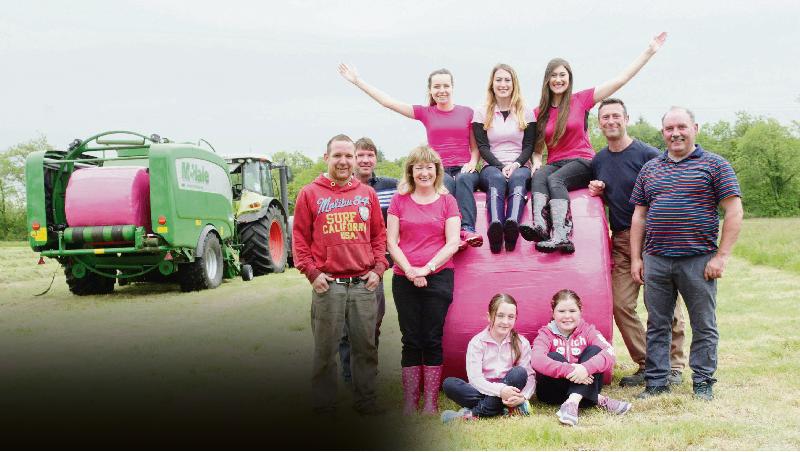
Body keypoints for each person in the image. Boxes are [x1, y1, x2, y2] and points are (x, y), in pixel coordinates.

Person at [630, 107, 743, 401]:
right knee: (657, 323)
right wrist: (636, 258)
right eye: (669, 129)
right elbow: (639, 216)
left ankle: (703, 381)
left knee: (703, 323)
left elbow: (733, 211)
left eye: (681, 127)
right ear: (662, 132)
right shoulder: (650, 168)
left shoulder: (715, 165)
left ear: (695, 128)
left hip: (698, 260)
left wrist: (722, 257)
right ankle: (656, 382)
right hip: (656, 258)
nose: (675, 133)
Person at [519, 32, 667, 254]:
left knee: (556, 181)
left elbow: (620, 80)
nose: (558, 80)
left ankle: (561, 234)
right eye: (554, 76)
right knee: (539, 176)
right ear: (547, 80)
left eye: (563, 75)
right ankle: (540, 226)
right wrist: (537, 162)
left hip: (581, 160)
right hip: (555, 161)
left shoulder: (581, 99)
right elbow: (538, 150)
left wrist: (649, 51)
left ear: (569, 78)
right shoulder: (539, 112)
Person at [588, 98, 687, 387]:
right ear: (599, 124)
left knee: (665, 306)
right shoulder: (599, 161)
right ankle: (648, 363)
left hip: (656, 238)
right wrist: (597, 191)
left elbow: (668, 190)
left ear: (626, 119)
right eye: (605, 117)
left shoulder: (649, 155)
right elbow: (608, 194)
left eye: (616, 116)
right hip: (621, 239)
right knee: (621, 305)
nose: (610, 122)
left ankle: (675, 366)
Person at [292, 134, 388, 415]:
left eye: (348, 156)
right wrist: (311, 272)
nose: (344, 161)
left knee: (366, 349)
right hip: (328, 284)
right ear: (326, 158)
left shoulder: (366, 194)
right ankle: (325, 405)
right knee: (325, 351)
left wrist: (378, 269)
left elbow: (378, 236)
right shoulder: (310, 193)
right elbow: (299, 237)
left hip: (362, 284)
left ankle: (366, 402)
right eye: (338, 156)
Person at [338, 63, 483, 249]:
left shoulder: (467, 112)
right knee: (444, 185)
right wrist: (358, 81)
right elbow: (388, 102)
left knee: (463, 180)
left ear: (452, 87)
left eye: (446, 86)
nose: (442, 90)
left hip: (465, 167)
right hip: (439, 170)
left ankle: (467, 229)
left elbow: (475, 146)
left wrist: (472, 162)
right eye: (436, 86)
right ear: (430, 90)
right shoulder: (426, 113)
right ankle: (446, 235)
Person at [386, 145, 461, 415]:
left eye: (429, 167)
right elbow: (391, 242)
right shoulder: (399, 200)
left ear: (437, 171)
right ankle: (410, 400)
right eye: (419, 167)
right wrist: (409, 270)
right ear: (411, 171)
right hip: (403, 277)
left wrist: (426, 269)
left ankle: (430, 399)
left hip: (439, 276)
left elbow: (453, 242)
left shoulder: (447, 201)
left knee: (431, 337)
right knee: (410, 338)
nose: (424, 172)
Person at [339, 137, 399, 385]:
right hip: (347, 265)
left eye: (370, 155)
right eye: (360, 155)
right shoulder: (341, 187)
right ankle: (348, 376)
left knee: (372, 322)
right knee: (345, 327)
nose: (365, 160)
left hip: (377, 265)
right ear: (353, 158)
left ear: (376, 158)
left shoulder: (391, 186)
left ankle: (367, 374)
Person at [531, 289, 632, 427]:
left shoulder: (588, 331)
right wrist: (570, 370)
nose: (567, 316)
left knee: (595, 350)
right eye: (561, 311)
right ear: (553, 312)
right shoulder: (546, 334)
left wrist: (585, 368)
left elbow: (610, 352)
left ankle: (572, 402)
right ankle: (598, 399)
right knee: (553, 356)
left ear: (580, 311)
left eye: (572, 311)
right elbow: (537, 360)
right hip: (551, 393)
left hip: (584, 383)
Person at [439, 293, 536, 422]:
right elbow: (475, 380)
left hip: (510, 387)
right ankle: (503, 408)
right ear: (489, 316)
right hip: (482, 390)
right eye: (500, 316)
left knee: (519, 373)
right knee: (449, 384)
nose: (505, 321)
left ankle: (471, 415)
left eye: (510, 317)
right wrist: (501, 391)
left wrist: (523, 397)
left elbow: (529, 376)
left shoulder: (521, 342)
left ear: (515, 319)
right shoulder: (477, 342)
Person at [472, 64, 537, 253]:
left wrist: (516, 164)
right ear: (492, 84)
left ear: (514, 83)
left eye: (507, 80)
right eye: (499, 80)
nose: (503, 84)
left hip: (520, 163)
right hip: (491, 166)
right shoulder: (482, 112)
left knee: (518, 179)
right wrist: (500, 166)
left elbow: (529, 145)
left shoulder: (525, 111)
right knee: (497, 179)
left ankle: (513, 225)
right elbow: (483, 146)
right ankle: (495, 226)